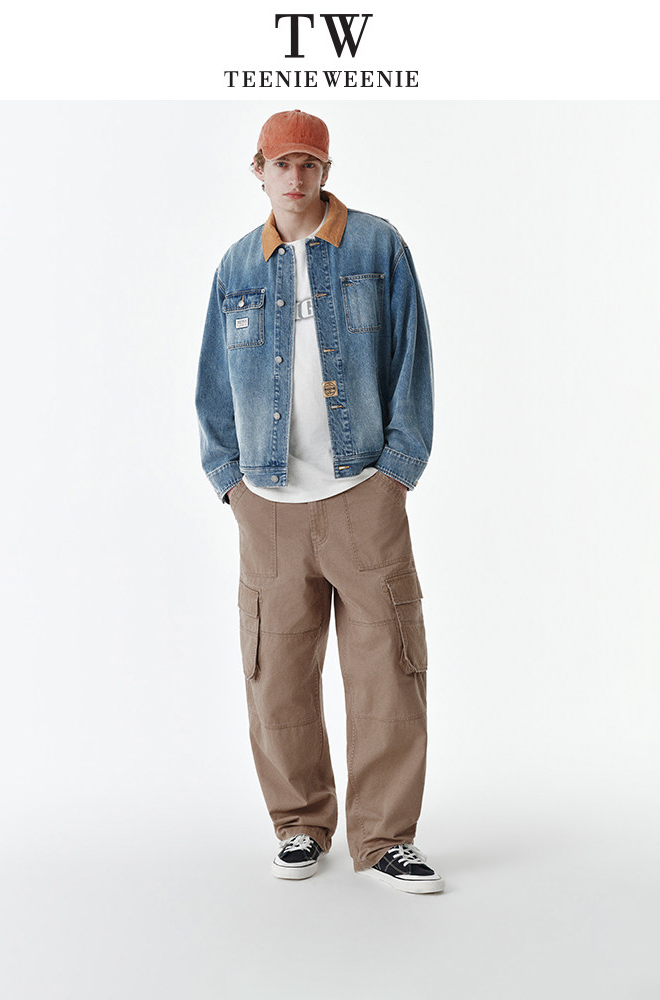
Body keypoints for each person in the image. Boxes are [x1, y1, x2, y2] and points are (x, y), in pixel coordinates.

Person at [195, 110, 441, 893]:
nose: (295, 177)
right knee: (276, 675)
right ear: (259, 172)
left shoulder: (375, 247)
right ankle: (299, 822)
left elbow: (412, 361)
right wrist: (230, 482)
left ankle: (386, 838)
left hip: (363, 491)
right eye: (281, 164)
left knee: (387, 673)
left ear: (326, 170)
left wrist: (397, 471)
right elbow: (210, 389)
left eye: (309, 163)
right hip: (267, 505)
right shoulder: (237, 265)